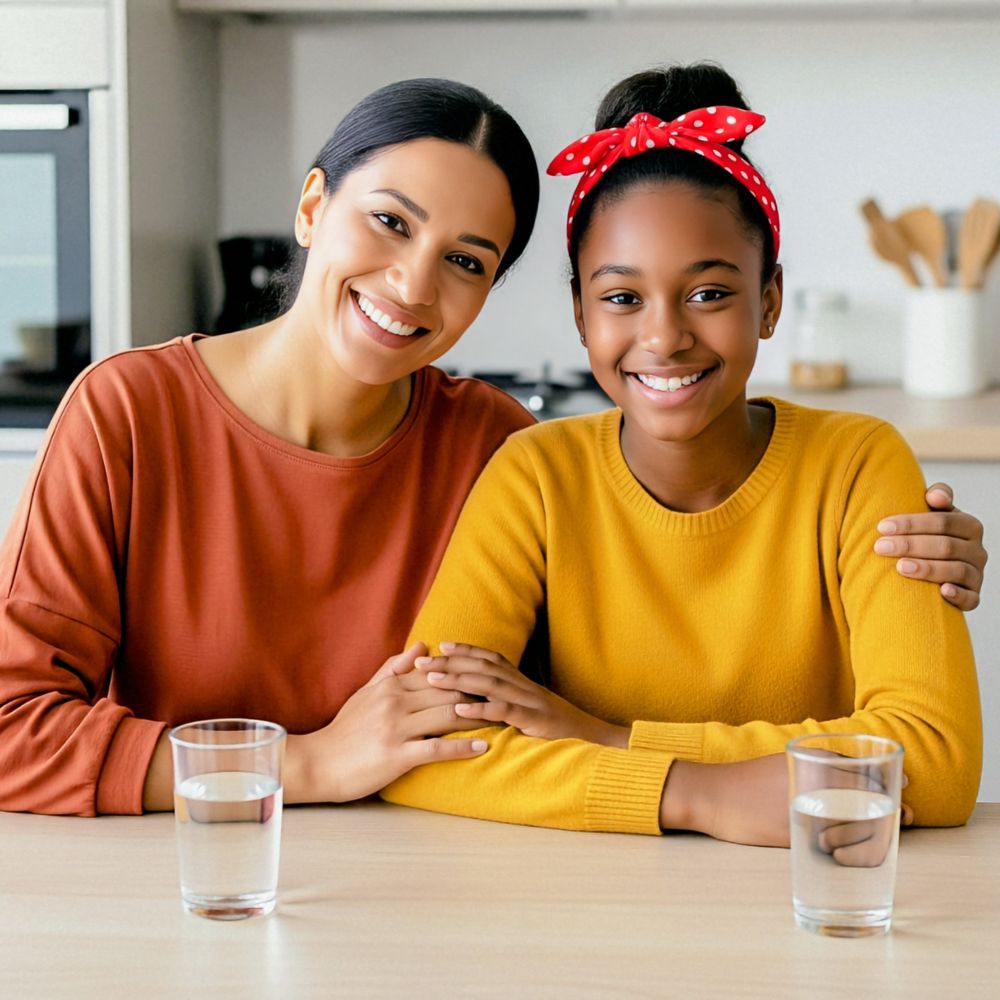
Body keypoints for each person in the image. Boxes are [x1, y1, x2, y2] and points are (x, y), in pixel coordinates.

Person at [0, 77, 985, 818]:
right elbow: (10, 735)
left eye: (465, 261)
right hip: (186, 865)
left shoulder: (494, 449)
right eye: (388, 222)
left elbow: (545, 713)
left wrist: (897, 569)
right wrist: (300, 764)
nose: (412, 285)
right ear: (311, 209)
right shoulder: (126, 413)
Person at [381, 64, 983, 846]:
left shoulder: (858, 465)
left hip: (818, 897)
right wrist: (696, 795)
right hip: (592, 916)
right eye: (622, 298)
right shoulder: (535, 475)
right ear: (580, 313)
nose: (664, 337)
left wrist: (606, 737)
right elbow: (425, 752)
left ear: (768, 301)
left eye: (709, 293)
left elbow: (933, 765)